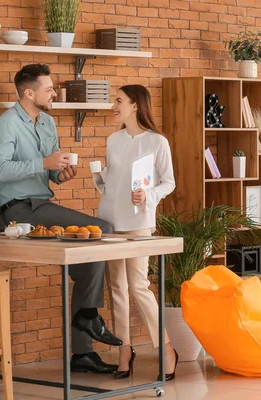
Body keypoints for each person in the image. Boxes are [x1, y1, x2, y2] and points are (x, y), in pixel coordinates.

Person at [0, 63, 122, 373]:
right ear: (29, 92)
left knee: (89, 259)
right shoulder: (6, 125)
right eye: (49, 88)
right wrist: (41, 162)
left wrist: (60, 173)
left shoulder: (46, 122)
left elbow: (51, 173)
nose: (54, 93)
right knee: (100, 230)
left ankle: (82, 352)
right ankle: (88, 317)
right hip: (19, 210)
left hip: (42, 204)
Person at [92, 85, 178, 380]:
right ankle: (124, 350)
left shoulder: (157, 142)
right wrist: (99, 178)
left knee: (138, 287)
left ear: (135, 105)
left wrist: (149, 195)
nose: (113, 105)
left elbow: (169, 183)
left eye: (118, 101)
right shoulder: (113, 140)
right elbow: (111, 185)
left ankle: (166, 348)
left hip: (139, 224)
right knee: (116, 288)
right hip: (110, 223)